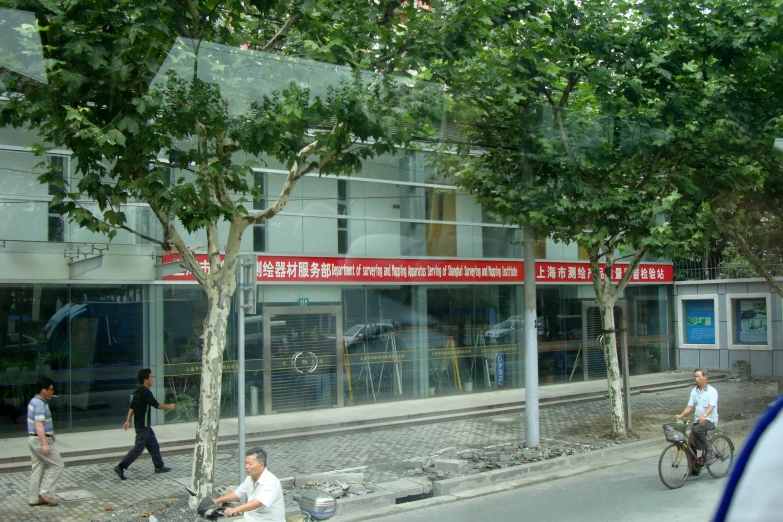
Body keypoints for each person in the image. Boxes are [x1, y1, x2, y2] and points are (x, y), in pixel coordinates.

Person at [113, 368, 176, 480]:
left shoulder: (137, 392)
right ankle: (121, 466)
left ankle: (159, 466)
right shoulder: (146, 392)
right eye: (151, 377)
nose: (152, 379)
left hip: (143, 426)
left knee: (153, 445)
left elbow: (131, 408)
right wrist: (169, 406)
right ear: (146, 380)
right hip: (143, 426)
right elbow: (157, 405)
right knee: (138, 449)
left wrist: (127, 421)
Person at [210, 446, 285, 521]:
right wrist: (216, 501)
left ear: (261, 465)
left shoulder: (271, 482)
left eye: (250, 464)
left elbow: (258, 502)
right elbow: (237, 494)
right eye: (246, 463)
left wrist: (235, 509)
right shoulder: (250, 479)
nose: (246, 467)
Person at [27, 376, 64, 507]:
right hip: (39, 440)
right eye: (51, 389)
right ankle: (46, 493)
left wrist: (50, 434)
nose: (52, 392)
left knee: (37, 468)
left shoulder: (33, 401)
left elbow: (39, 425)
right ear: (44, 390)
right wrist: (44, 443)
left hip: (33, 439)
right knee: (58, 464)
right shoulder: (40, 404)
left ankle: (33, 499)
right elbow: (39, 425)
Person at [675, 368, 718, 466]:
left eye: (699, 377)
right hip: (698, 421)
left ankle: (708, 451)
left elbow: (711, 406)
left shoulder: (712, 391)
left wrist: (704, 415)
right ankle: (694, 468)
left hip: (710, 420)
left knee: (697, 430)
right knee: (690, 444)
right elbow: (690, 406)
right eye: (695, 377)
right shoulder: (694, 391)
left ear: (705, 377)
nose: (696, 379)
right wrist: (681, 415)